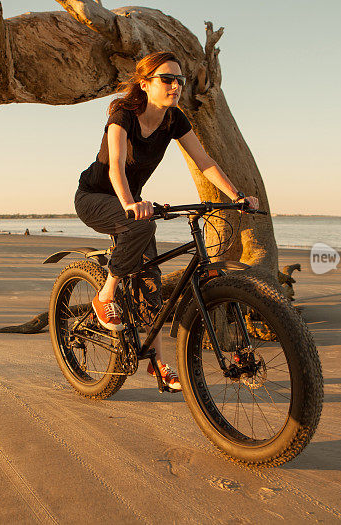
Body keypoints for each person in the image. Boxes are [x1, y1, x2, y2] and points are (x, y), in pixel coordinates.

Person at [74, 51, 259, 392]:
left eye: (179, 80)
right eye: (167, 79)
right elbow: (115, 164)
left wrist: (236, 196)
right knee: (144, 225)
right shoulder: (123, 113)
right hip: (95, 197)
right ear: (144, 84)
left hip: (132, 204)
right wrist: (130, 203)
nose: (175, 85)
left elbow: (204, 161)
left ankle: (157, 363)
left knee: (150, 280)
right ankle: (106, 294)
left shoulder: (174, 120)